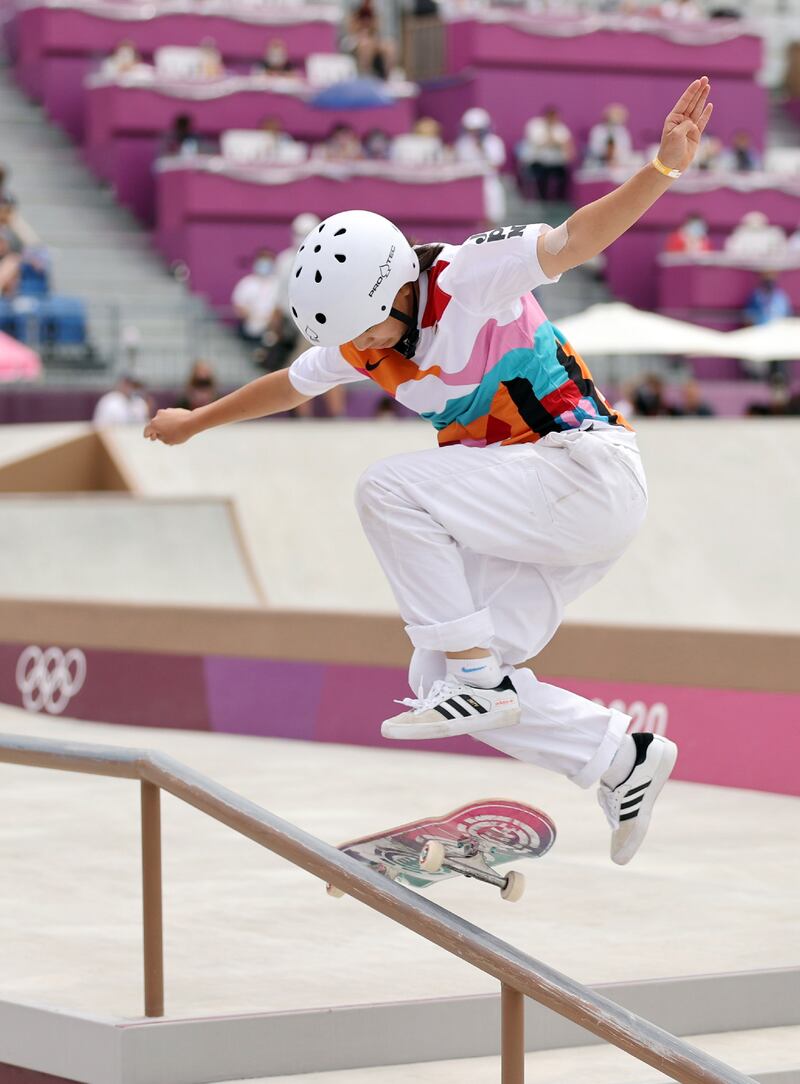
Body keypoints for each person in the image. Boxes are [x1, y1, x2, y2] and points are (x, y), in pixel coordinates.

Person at [145, 76, 715, 866]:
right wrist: (194, 423)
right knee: (437, 676)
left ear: (401, 288)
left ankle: (481, 669)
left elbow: (575, 242)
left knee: (389, 491)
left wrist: (661, 168)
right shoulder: (362, 338)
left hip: (586, 473)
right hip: (537, 507)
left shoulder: (466, 275)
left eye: (372, 331)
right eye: (354, 343)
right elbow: (285, 384)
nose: (367, 352)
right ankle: (622, 758)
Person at [454, 108, 507, 225]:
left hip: (489, 183)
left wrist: (482, 148)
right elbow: (460, 164)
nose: (474, 133)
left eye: (477, 130)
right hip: (468, 184)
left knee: (492, 216)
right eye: (470, 130)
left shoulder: (494, 142)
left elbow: (495, 164)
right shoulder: (462, 143)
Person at [518, 106, 575, 202]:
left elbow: (567, 144)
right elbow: (538, 143)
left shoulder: (560, 127)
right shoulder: (534, 125)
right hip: (537, 161)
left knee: (563, 174)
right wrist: (555, 142)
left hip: (556, 162)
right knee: (542, 174)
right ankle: (543, 200)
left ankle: (559, 200)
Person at [231, 249, 280, 344]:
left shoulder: (277, 284)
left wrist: (272, 321)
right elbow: (238, 306)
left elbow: (281, 307)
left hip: (271, 329)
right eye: (262, 262)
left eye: (267, 262)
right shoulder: (246, 283)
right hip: (249, 329)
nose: (264, 266)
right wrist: (252, 317)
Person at [585, 104, 634, 168]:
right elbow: (594, 149)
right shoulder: (598, 130)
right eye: (616, 115)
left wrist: (617, 157)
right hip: (600, 162)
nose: (618, 118)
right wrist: (607, 154)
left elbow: (627, 148)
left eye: (620, 116)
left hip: (619, 163)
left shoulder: (622, 130)